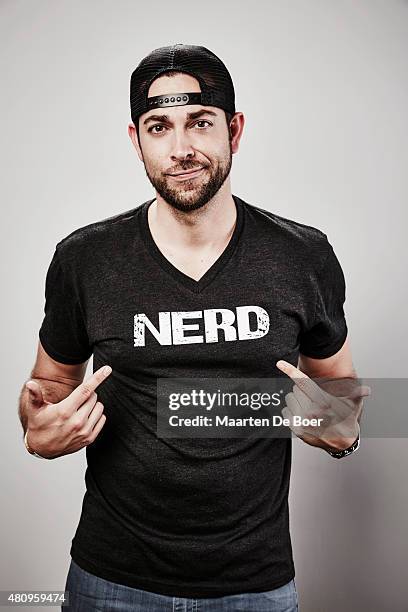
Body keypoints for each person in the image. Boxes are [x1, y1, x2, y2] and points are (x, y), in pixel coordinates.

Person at [19, 44, 369, 612]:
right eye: (159, 126)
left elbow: (343, 397)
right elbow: (47, 388)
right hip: (111, 581)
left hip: (255, 585)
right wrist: (38, 432)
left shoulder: (303, 256)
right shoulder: (84, 260)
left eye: (200, 123)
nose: (181, 149)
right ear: (136, 140)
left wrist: (344, 434)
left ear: (234, 129)